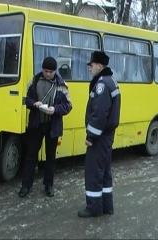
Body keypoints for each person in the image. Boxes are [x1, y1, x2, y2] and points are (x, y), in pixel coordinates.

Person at [18, 56, 72, 198]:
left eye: (50, 71)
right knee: (31, 156)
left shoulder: (61, 84)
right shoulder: (34, 81)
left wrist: (55, 109)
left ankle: (49, 185)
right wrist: (33, 104)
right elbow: (26, 99)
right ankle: (26, 186)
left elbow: (68, 105)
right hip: (36, 124)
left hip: (52, 125)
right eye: (45, 71)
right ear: (42, 69)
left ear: (55, 71)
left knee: (51, 158)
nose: (47, 74)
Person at [78, 51, 121, 218]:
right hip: (107, 136)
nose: (89, 68)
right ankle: (106, 205)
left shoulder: (102, 84)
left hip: (100, 137)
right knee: (104, 172)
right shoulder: (111, 81)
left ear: (99, 65)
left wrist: (91, 136)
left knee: (94, 171)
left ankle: (94, 208)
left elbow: (99, 114)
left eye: (91, 65)